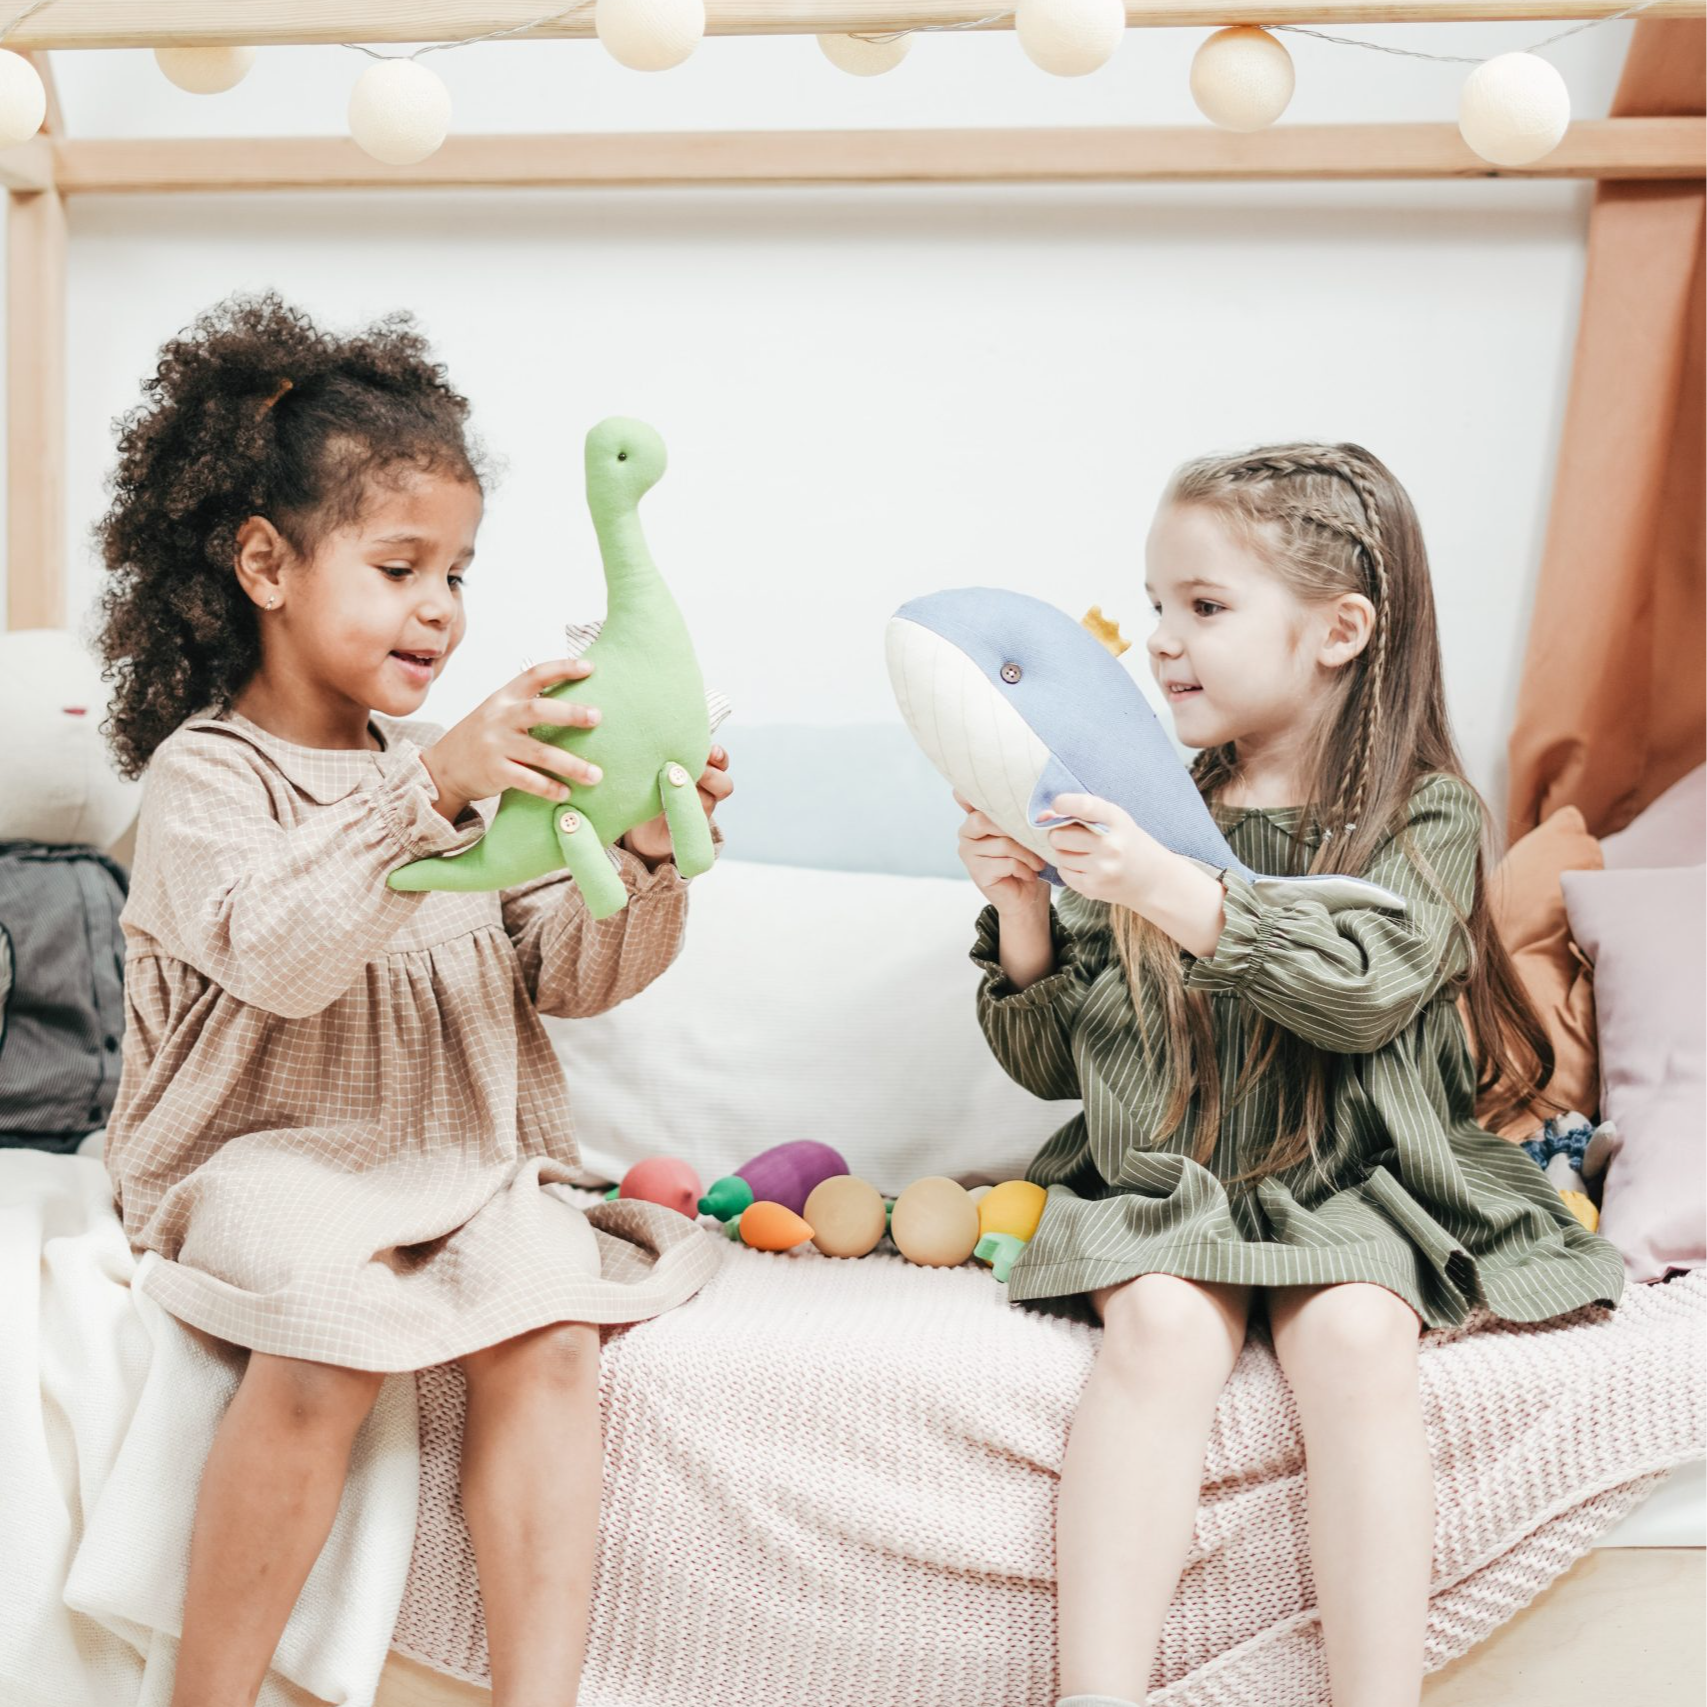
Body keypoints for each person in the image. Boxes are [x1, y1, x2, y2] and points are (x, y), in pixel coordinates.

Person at [94, 291, 732, 1707]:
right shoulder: (213, 776)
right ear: (265, 561)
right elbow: (280, 948)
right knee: (323, 1342)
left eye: (457, 572)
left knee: (550, 1326)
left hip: (456, 1147)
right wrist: (430, 785)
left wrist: (634, 854)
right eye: (398, 566)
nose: (439, 609)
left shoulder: (464, 763)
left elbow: (559, 974)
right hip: (265, 1150)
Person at [955, 441, 1626, 1707]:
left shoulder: (1425, 814)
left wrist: (1169, 885)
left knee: (1361, 1335)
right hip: (1176, 1179)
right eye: (1155, 604)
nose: (1161, 639)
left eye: (1203, 607)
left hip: (1358, 1182)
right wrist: (1028, 917)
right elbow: (1058, 1067)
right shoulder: (1133, 802)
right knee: (1157, 1327)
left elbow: (1367, 992)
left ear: (1340, 629)